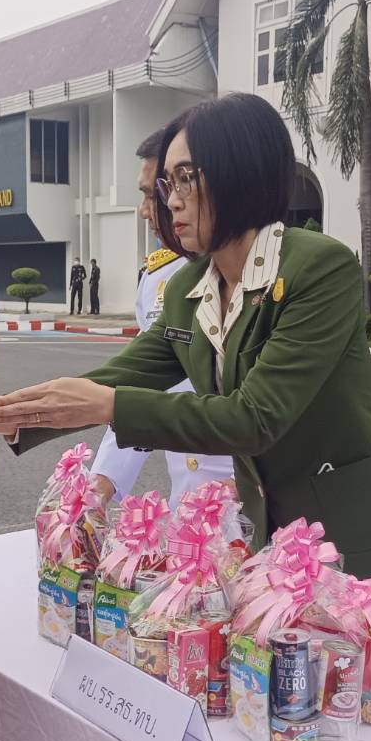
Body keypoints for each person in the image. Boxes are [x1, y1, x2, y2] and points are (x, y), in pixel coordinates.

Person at [0, 93, 371, 659]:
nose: (170, 201)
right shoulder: (191, 289)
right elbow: (117, 376)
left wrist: (109, 406)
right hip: (285, 547)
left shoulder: (317, 267)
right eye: (167, 184)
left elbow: (254, 417)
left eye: (186, 178)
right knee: (305, 707)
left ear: (241, 170)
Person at [92, 127, 232, 505]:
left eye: (150, 194)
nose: (147, 209)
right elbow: (139, 391)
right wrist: (102, 484)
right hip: (189, 502)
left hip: (258, 503)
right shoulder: (160, 278)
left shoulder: (277, 275)